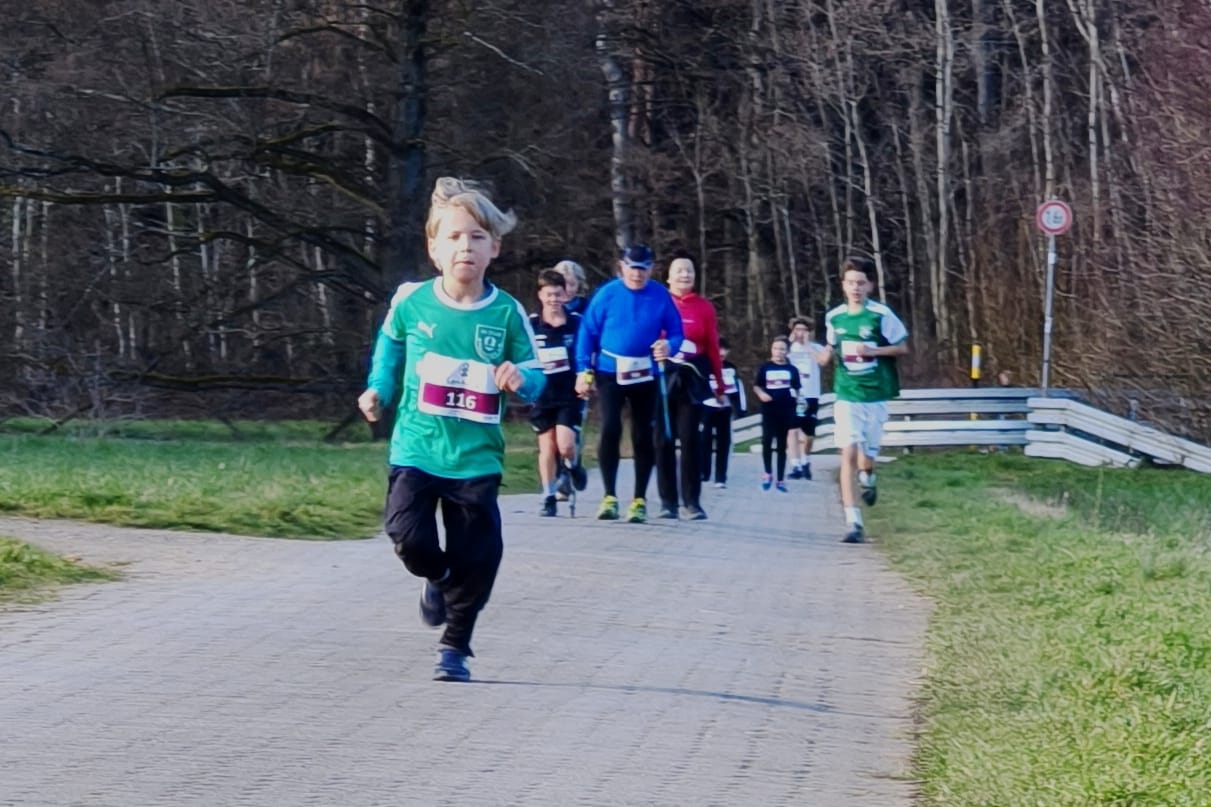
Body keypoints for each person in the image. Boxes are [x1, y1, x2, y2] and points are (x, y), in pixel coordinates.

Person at [358, 177, 546, 682]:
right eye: (456, 237)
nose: (466, 246)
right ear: (434, 247)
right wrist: (379, 389)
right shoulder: (412, 301)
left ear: (495, 248)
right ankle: (436, 577)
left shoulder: (506, 313)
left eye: (478, 238)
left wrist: (520, 378)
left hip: (476, 456)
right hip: (417, 446)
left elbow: (537, 375)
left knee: (479, 555)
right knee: (407, 535)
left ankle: (455, 647)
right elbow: (390, 347)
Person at [575, 244, 683, 524]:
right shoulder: (608, 293)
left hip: (645, 372)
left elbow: (675, 331)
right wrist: (583, 368)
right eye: (632, 268)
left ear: (651, 269)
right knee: (610, 427)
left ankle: (639, 499)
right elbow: (587, 331)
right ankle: (609, 496)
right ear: (622, 266)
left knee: (642, 434)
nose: (637, 274)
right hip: (610, 371)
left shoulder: (659, 294)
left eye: (643, 268)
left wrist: (668, 346)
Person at [818, 255, 910, 544]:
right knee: (847, 453)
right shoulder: (834, 317)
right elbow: (830, 348)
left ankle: (868, 478)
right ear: (843, 286)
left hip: (876, 394)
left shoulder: (881, 315)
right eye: (850, 283)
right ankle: (853, 522)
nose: (855, 288)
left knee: (866, 459)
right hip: (847, 394)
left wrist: (874, 351)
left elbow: (902, 347)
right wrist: (820, 357)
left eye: (861, 282)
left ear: (870, 285)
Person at [654, 252, 726, 520]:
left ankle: (692, 501)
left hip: (691, 377)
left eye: (690, 271)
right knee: (662, 440)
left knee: (690, 440)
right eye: (680, 270)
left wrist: (718, 383)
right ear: (669, 277)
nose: (685, 275)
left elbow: (712, 347)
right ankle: (667, 502)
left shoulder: (704, 307)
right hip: (662, 376)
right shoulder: (659, 303)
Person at [528, 269, 588, 516]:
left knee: (565, 445)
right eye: (549, 294)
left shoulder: (575, 323)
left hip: (569, 394)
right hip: (542, 395)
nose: (553, 299)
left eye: (558, 294)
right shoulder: (532, 325)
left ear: (565, 295)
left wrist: (586, 378)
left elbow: (586, 353)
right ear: (541, 295)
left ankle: (573, 465)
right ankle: (548, 496)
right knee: (547, 447)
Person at [753, 336, 800, 492]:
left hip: (785, 410)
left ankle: (780, 479)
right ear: (771, 350)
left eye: (782, 349)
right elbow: (757, 386)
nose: (778, 352)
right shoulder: (765, 367)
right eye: (775, 348)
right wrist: (761, 394)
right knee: (767, 441)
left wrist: (795, 402)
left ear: (786, 352)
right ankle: (768, 473)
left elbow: (797, 389)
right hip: (769, 410)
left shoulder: (792, 370)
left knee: (781, 444)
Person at [786, 317, 829, 481]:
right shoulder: (789, 348)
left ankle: (805, 460)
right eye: (797, 330)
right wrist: (789, 344)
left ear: (809, 332)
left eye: (804, 330)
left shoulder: (816, 347)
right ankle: (795, 465)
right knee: (792, 430)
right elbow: (779, 361)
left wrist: (808, 346)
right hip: (793, 395)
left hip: (811, 394)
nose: (800, 333)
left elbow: (822, 361)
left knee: (809, 434)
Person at [701, 337, 746, 488]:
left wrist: (739, 407)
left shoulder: (730, 368)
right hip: (707, 408)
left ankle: (721, 477)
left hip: (725, 409)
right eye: (718, 349)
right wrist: (714, 395)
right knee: (704, 441)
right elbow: (700, 386)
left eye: (724, 350)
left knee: (723, 443)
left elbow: (737, 390)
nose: (721, 353)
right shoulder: (704, 366)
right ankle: (704, 473)